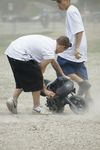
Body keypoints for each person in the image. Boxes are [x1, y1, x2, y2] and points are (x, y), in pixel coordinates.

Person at [5, 34, 72, 114]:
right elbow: (39, 72)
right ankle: (36, 107)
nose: (62, 52)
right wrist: (44, 89)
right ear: (62, 46)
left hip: (13, 50)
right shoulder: (50, 50)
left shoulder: (50, 43)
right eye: (63, 50)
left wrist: (62, 75)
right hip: (19, 53)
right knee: (35, 77)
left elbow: (54, 63)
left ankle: (13, 100)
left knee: (26, 77)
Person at [52, 0, 92, 103]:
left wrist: (77, 48)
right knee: (79, 70)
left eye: (59, 2)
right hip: (79, 46)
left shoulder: (71, 11)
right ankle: (88, 98)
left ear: (66, 1)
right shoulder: (73, 10)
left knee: (61, 67)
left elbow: (79, 30)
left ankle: (82, 84)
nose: (58, 5)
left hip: (73, 46)